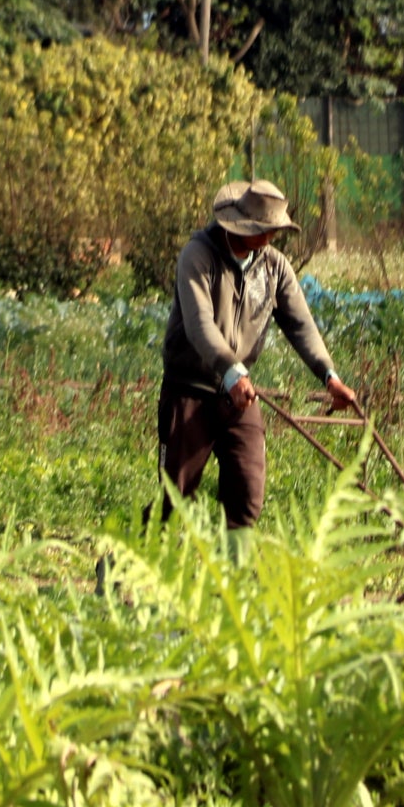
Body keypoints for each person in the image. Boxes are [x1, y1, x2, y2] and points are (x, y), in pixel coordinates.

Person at [159, 179, 357, 542]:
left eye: (272, 231)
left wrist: (329, 376)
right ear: (238, 225)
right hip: (190, 388)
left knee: (246, 492)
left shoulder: (273, 267)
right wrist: (230, 371)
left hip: (239, 395)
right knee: (175, 499)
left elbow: (301, 325)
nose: (269, 238)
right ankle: (121, 567)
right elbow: (200, 324)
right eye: (262, 230)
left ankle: (229, 582)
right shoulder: (198, 257)